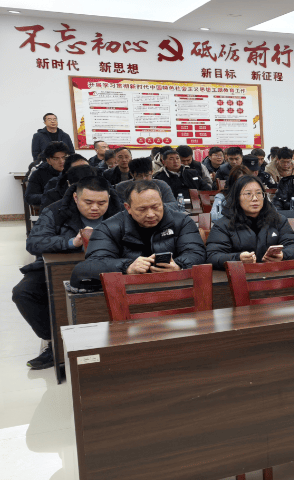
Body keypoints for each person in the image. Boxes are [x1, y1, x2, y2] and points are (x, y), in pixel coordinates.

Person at [15, 175, 121, 369]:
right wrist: (71, 242)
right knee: (24, 293)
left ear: (109, 198)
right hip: (59, 267)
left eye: (101, 203)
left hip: (108, 265)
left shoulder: (119, 210)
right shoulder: (56, 211)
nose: (95, 208)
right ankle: (54, 341)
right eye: (88, 202)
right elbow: (34, 243)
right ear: (75, 197)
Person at [70, 180, 206, 288]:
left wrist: (179, 266)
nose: (151, 214)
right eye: (142, 209)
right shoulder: (108, 228)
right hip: (127, 292)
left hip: (175, 287)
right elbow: (90, 266)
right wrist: (127, 267)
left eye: (156, 207)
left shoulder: (182, 221)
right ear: (128, 208)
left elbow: (197, 253)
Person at [205, 176, 294, 270]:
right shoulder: (223, 225)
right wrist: (238, 258)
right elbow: (213, 256)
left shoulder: (278, 220)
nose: (255, 198)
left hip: (273, 273)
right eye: (248, 194)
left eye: (259, 193)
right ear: (237, 197)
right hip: (240, 276)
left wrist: (283, 255)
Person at [113, 157, 180, 211]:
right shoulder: (122, 187)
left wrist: (154, 206)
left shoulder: (161, 185)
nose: (144, 179)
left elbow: (174, 205)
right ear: (132, 175)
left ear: (152, 172)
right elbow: (119, 208)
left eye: (147, 175)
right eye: (139, 176)